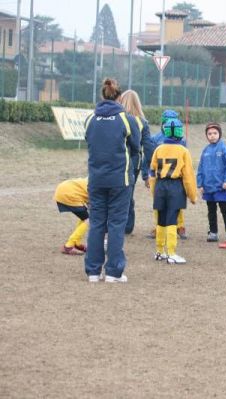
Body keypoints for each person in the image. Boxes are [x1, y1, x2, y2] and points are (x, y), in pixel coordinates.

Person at [84, 78, 140, 283]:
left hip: (96, 180)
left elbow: (90, 142)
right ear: (119, 97)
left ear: (102, 95)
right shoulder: (127, 119)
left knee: (97, 223)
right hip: (120, 180)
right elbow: (135, 146)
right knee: (116, 224)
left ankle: (92, 271)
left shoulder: (90, 119)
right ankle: (113, 272)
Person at [149, 118, 197, 264]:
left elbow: (152, 172)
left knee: (161, 219)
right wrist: (192, 195)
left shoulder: (158, 149)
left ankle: (159, 251)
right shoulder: (183, 151)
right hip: (175, 186)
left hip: (160, 186)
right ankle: (171, 253)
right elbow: (188, 175)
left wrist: (154, 191)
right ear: (178, 132)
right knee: (172, 220)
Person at [143, 109, 189, 240]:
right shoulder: (155, 139)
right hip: (159, 178)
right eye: (166, 122)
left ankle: (180, 227)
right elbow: (148, 159)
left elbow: (185, 161)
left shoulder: (181, 141)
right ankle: (158, 228)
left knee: (177, 203)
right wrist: (146, 176)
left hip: (176, 178)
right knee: (158, 204)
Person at [118, 89, 154, 235]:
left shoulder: (119, 119)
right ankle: (128, 225)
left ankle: (115, 223)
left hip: (118, 160)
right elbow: (149, 147)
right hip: (134, 162)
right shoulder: (142, 122)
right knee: (129, 193)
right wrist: (152, 168)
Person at [197, 122, 226, 243]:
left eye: (215, 133)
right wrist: (200, 184)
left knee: (225, 210)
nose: (212, 136)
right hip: (208, 187)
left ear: (219, 134)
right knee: (211, 211)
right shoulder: (205, 150)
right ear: (206, 136)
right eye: (209, 134)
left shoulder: (225, 149)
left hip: (221, 187)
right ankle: (213, 232)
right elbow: (200, 168)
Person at [54, 177, 89, 255]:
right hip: (69, 194)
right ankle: (68, 246)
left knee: (85, 218)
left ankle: (77, 243)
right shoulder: (100, 186)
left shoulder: (97, 178)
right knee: (89, 220)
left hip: (63, 189)